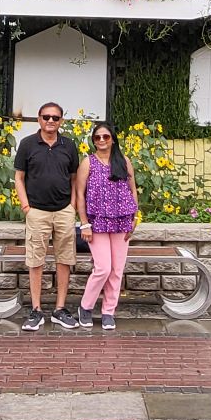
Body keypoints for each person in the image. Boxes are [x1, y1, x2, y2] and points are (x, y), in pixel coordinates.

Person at [13, 101, 81, 331]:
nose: (50, 121)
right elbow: (19, 178)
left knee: (64, 259)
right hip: (37, 212)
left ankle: (60, 309)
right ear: (39, 119)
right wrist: (26, 207)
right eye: (46, 117)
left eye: (55, 117)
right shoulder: (27, 144)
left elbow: (74, 178)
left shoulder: (68, 145)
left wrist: (72, 206)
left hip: (63, 211)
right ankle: (36, 310)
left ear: (61, 121)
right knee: (35, 261)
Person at [75, 120, 139, 331]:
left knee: (116, 270)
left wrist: (135, 218)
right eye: (97, 137)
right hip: (97, 222)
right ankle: (85, 307)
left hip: (122, 220)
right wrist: (84, 224)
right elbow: (80, 195)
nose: (101, 140)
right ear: (93, 141)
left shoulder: (123, 161)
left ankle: (108, 311)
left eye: (106, 136)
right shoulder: (88, 163)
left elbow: (132, 189)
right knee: (103, 268)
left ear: (113, 139)